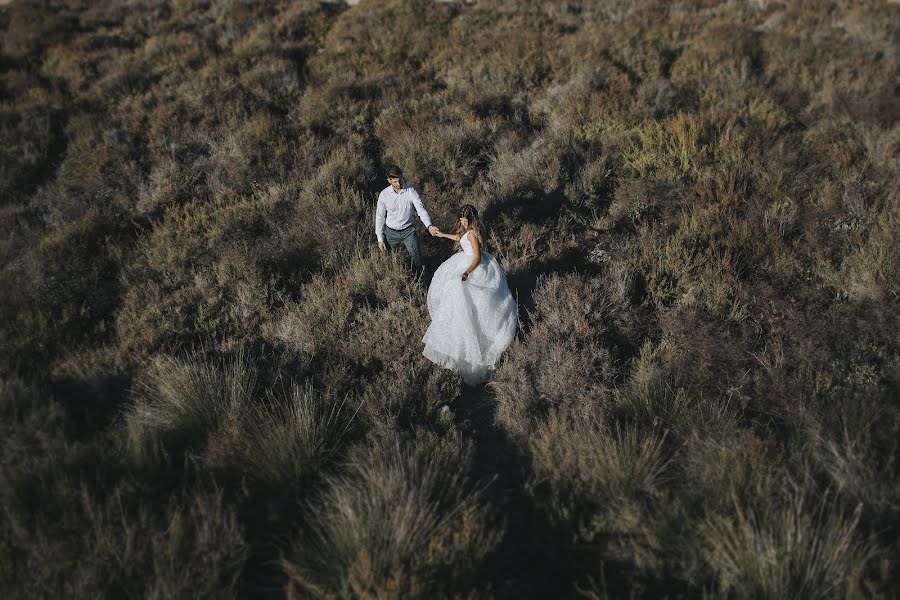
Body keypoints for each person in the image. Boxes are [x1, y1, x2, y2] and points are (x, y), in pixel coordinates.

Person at [423, 205, 517, 385]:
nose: (463, 223)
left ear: (472, 220)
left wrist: (466, 272)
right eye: (462, 221)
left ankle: (473, 349)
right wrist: (442, 234)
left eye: (466, 221)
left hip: (472, 267)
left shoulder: (473, 234)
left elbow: (476, 258)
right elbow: (460, 237)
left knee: (468, 302)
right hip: (464, 263)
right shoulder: (467, 232)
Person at [375, 164, 439, 275]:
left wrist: (429, 226)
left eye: (399, 180)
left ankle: (425, 285)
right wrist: (380, 239)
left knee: (418, 260)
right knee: (389, 260)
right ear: (389, 180)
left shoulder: (411, 191)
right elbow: (380, 217)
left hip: (408, 232)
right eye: (395, 182)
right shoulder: (384, 195)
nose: (398, 184)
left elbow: (421, 210)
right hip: (391, 233)